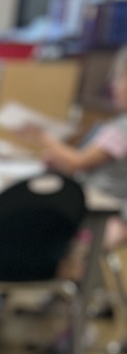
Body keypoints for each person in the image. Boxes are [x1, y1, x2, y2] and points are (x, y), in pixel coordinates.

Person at [26, 45, 127, 255]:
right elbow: (84, 166)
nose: (114, 86)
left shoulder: (122, 129)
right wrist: (59, 161)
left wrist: (42, 135)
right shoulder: (116, 125)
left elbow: (78, 162)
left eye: (119, 78)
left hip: (106, 214)